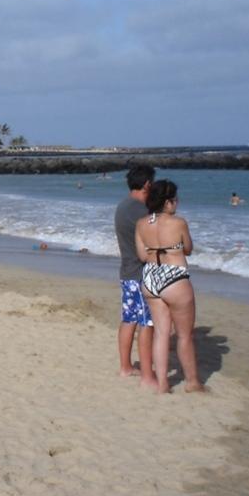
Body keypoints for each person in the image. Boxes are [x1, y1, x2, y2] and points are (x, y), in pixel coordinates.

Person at [135, 179, 205, 395]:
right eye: (175, 200)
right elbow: (189, 249)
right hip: (174, 277)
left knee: (161, 334)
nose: (177, 203)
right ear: (167, 202)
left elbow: (141, 255)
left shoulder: (141, 223)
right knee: (184, 335)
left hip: (150, 278)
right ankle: (192, 382)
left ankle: (163, 384)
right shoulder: (178, 222)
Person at [114, 165, 156, 388]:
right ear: (147, 184)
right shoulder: (139, 210)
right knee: (146, 323)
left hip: (128, 271)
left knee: (129, 320)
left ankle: (126, 366)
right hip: (138, 273)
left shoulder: (124, 206)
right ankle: (146, 374)